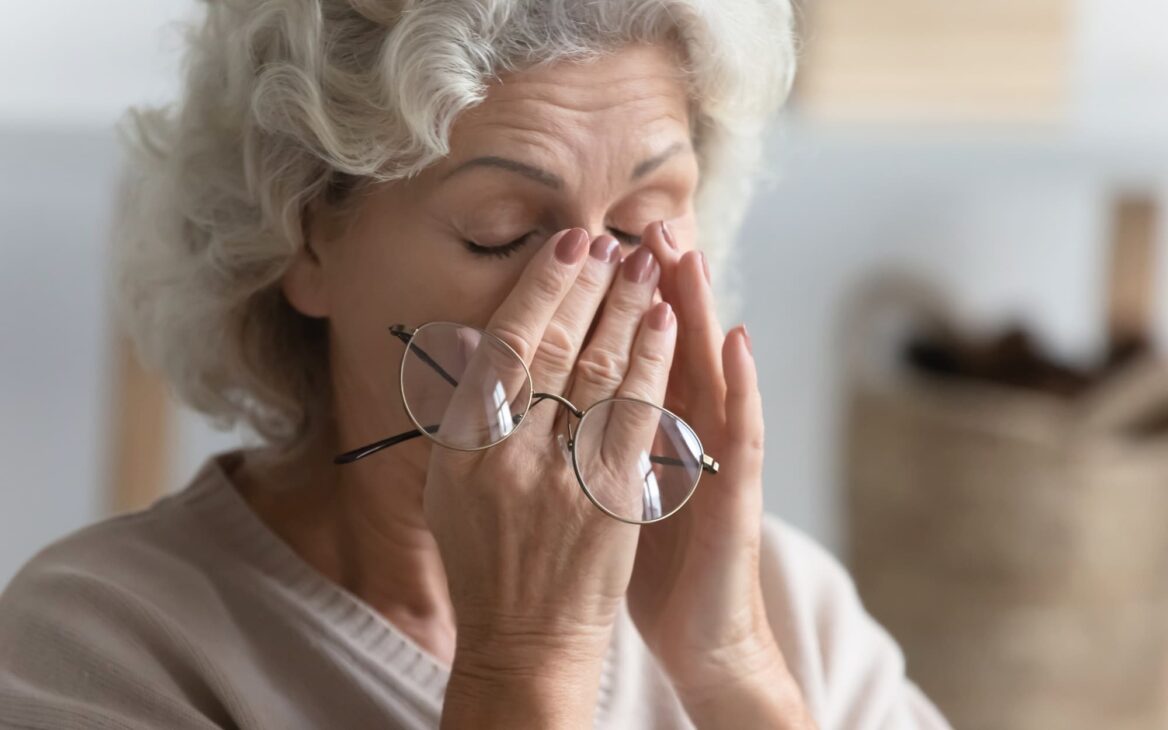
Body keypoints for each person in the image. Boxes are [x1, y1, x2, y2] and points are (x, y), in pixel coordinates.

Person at [0, 1, 949, 727]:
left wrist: (734, 670)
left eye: (642, 220)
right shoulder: (103, 645)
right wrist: (526, 660)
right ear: (302, 240)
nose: (596, 294)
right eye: (502, 236)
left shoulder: (787, 607)